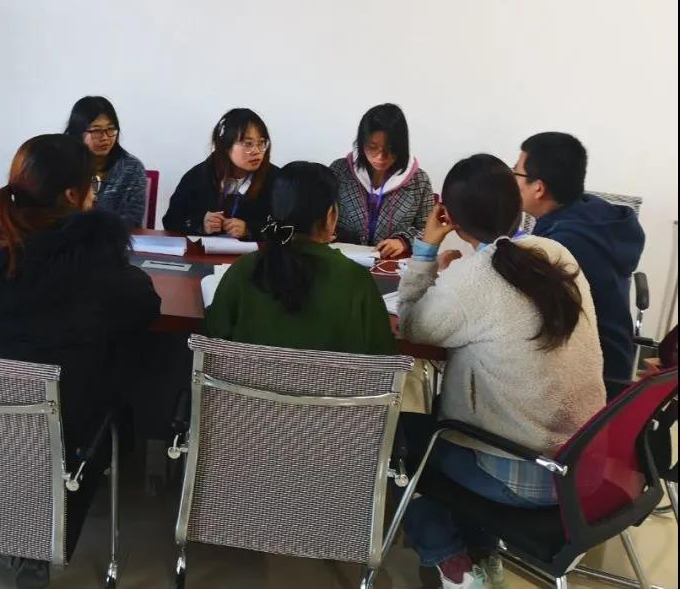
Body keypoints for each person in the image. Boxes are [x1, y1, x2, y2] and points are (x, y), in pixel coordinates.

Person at [0, 134, 160, 589]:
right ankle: (39, 541)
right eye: (91, 184)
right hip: (67, 423)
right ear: (72, 195)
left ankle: (5, 525)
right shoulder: (95, 264)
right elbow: (143, 308)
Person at [397, 154, 606, 589]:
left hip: (524, 474)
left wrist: (427, 249)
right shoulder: (555, 252)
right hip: (584, 466)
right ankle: (481, 552)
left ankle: (453, 563)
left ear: (452, 220)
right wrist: (460, 277)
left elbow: (412, 323)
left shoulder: (473, 280)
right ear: (517, 203)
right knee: (463, 428)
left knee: (396, 442)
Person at [206, 162, 397, 354]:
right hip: (330, 375)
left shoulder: (244, 269)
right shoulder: (356, 279)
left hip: (249, 374)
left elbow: (212, 341)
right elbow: (383, 357)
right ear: (331, 215)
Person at [514, 132, 645, 385]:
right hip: (616, 361)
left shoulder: (562, 247)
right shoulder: (592, 211)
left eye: (516, 172)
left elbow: (525, 316)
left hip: (590, 380)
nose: (512, 180)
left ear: (538, 188)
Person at [329, 104, 435, 258]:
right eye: (372, 147)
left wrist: (403, 241)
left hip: (390, 263)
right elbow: (320, 216)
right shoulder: (340, 171)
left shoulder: (419, 181)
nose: (381, 157)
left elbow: (428, 229)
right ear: (361, 143)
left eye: (390, 148)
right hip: (343, 258)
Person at [162, 108, 279, 239]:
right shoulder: (198, 176)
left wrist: (250, 230)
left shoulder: (277, 179)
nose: (257, 151)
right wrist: (200, 224)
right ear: (225, 146)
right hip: (204, 251)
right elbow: (170, 221)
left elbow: (289, 229)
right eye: (248, 144)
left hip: (257, 252)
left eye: (261, 143)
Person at [64, 95, 148, 227]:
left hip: (116, 238)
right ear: (77, 132)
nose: (105, 137)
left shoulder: (132, 168)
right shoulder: (63, 165)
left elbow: (133, 222)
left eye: (111, 129)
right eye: (96, 130)